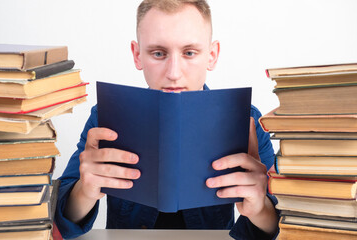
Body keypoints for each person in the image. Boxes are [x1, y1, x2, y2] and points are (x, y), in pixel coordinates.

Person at [55, 0, 279, 239]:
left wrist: (260, 207)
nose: (173, 73)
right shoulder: (106, 117)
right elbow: (59, 223)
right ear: (137, 55)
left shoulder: (248, 121)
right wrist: (84, 192)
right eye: (158, 53)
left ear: (211, 56)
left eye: (189, 53)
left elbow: (282, 224)